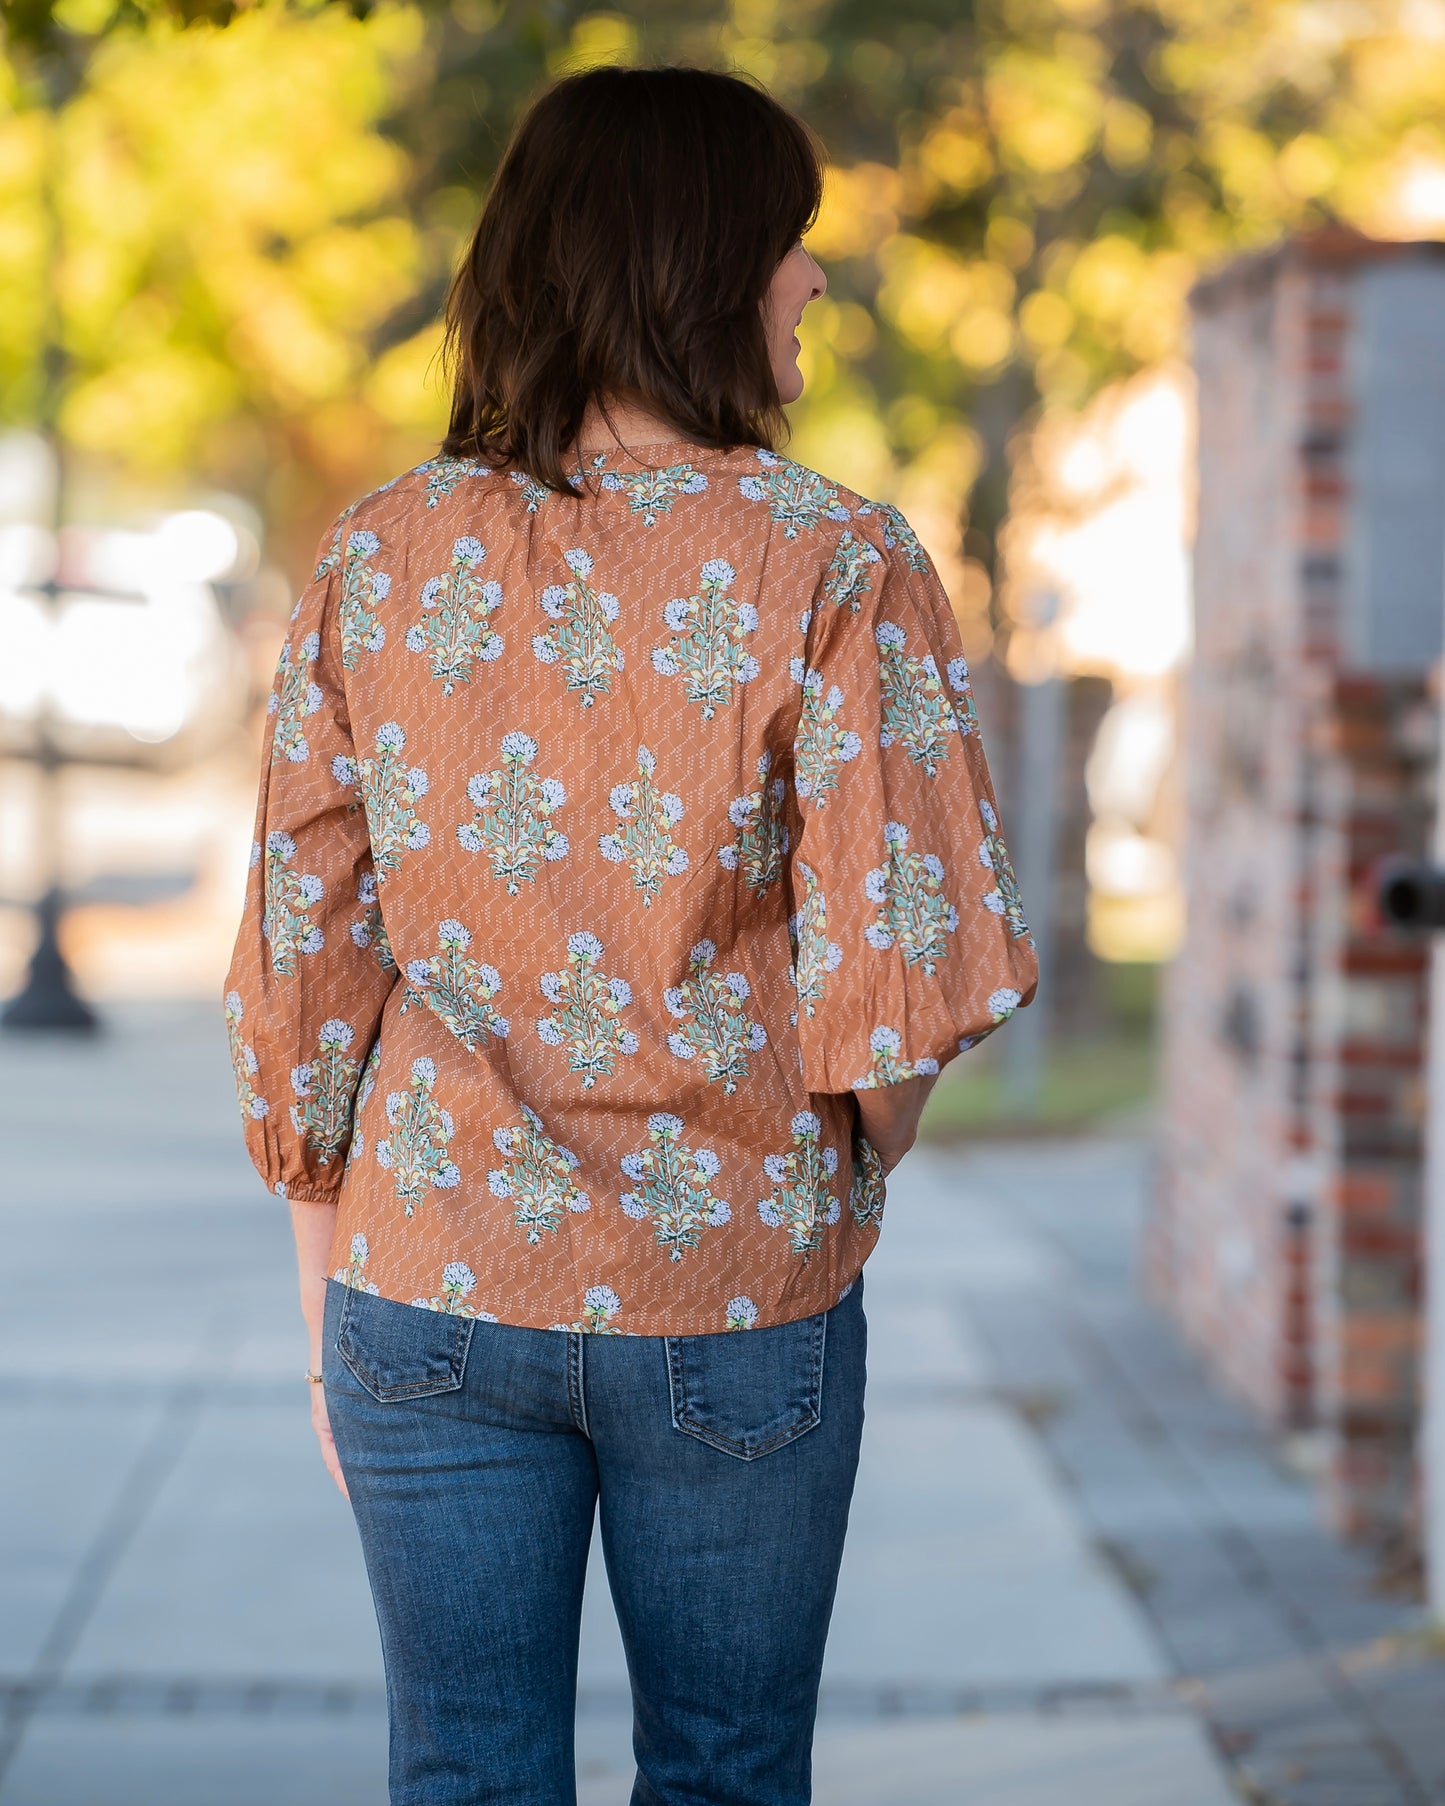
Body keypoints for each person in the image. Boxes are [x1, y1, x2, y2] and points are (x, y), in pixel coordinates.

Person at [225, 62, 1037, 1806]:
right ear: (693, 262)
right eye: (787, 241)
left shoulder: (378, 558)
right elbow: (895, 992)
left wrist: (329, 1320)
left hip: (422, 1286)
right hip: (737, 1285)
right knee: (730, 1776)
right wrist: (836, 1178)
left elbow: (309, 965)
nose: (812, 278)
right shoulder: (832, 561)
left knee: (462, 1775)